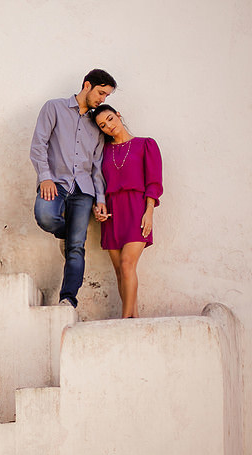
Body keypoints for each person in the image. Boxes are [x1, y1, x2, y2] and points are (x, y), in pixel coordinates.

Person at [30, 69, 116, 308]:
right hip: (55, 182)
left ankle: (68, 298)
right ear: (86, 85)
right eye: (100, 93)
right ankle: (65, 234)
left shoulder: (96, 124)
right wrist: (45, 177)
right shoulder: (54, 108)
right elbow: (38, 145)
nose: (102, 99)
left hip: (84, 191)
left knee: (76, 247)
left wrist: (100, 199)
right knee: (45, 216)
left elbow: (97, 166)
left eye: (106, 96)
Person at [89, 104, 163, 318]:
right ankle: (134, 317)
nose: (109, 126)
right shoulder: (103, 152)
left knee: (127, 263)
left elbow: (154, 182)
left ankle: (125, 319)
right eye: (103, 125)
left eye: (110, 119)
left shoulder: (146, 145)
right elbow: (98, 182)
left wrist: (149, 212)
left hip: (137, 209)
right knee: (121, 272)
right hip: (112, 212)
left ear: (118, 115)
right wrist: (98, 206)